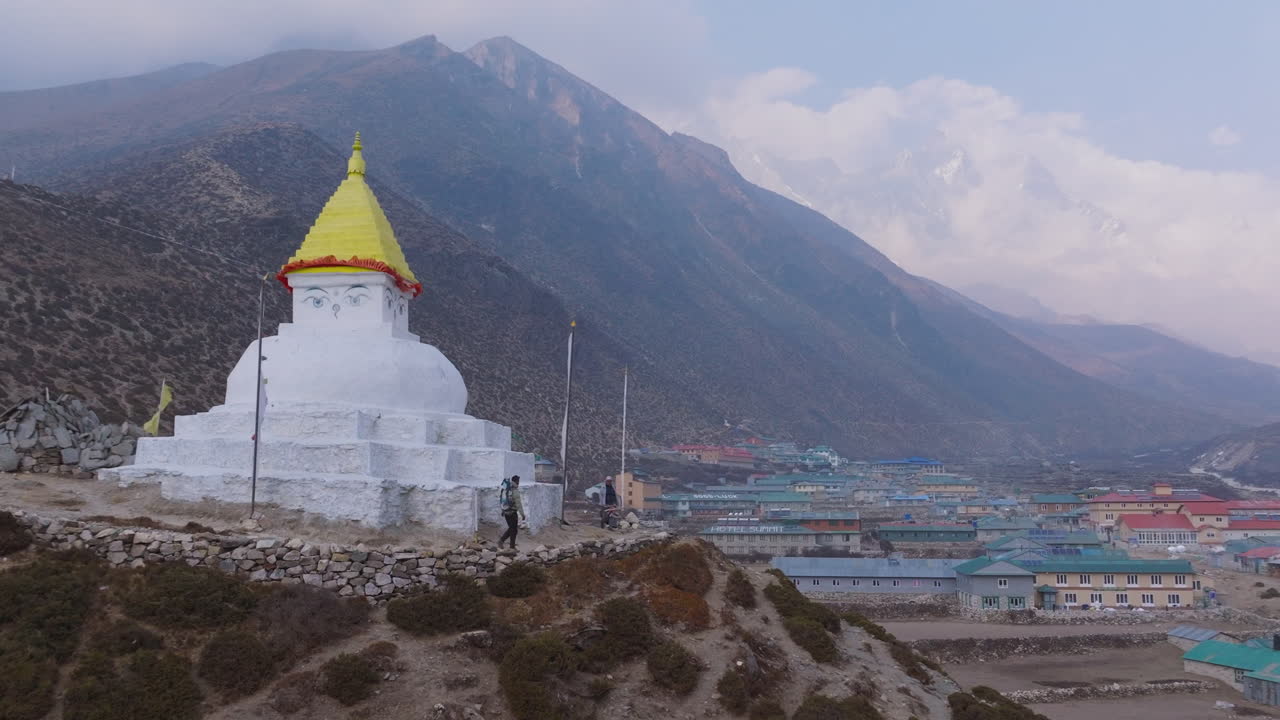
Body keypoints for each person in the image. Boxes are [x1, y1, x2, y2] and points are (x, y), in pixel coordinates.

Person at [498, 475, 526, 549]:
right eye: (518, 481)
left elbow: (502, 500)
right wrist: (522, 514)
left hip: (506, 512)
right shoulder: (515, 491)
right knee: (513, 530)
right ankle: (507, 544)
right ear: (516, 481)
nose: (519, 483)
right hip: (512, 513)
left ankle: (509, 544)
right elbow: (518, 504)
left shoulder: (506, 489)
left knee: (512, 529)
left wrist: (503, 510)